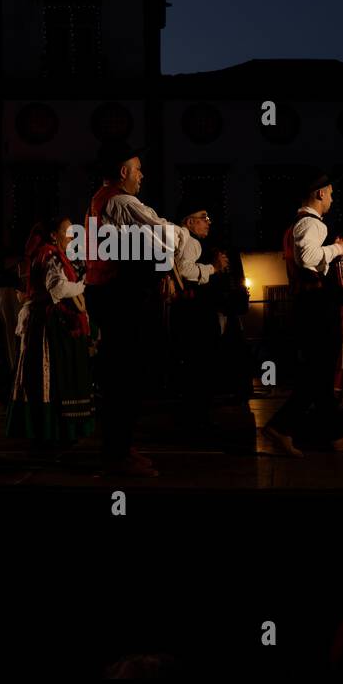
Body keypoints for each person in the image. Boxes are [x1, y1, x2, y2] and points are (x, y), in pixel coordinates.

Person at [84, 141, 194, 478]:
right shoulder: (119, 201)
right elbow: (167, 237)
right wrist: (183, 231)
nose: (142, 175)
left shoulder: (101, 202)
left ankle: (120, 447)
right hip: (118, 297)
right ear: (123, 172)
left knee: (123, 375)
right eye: (138, 168)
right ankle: (117, 454)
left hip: (109, 294)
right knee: (125, 376)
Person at [260, 175, 343, 456]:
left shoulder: (301, 223)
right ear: (319, 193)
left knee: (319, 373)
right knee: (318, 372)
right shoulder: (311, 223)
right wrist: (340, 249)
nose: (331, 199)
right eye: (330, 193)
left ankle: (332, 434)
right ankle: (281, 427)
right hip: (316, 305)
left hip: (310, 303)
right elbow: (308, 258)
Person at [7, 215, 96, 446]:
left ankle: (52, 431)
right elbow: (56, 286)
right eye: (67, 231)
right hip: (49, 323)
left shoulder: (51, 254)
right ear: (53, 235)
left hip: (47, 320)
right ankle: (52, 431)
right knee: (52, 376)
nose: (71, 236)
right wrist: (83, 284)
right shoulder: (50, 254)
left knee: (51, 377)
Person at [169, 200, 230, 407]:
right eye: (204, 218)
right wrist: (213, 267)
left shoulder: (188, 241)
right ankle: (198, 415)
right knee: (201, 364)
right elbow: (185, 270)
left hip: (191, 311)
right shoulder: (190, 241)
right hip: (196, 313)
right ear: (189, 222)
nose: (208, 223)